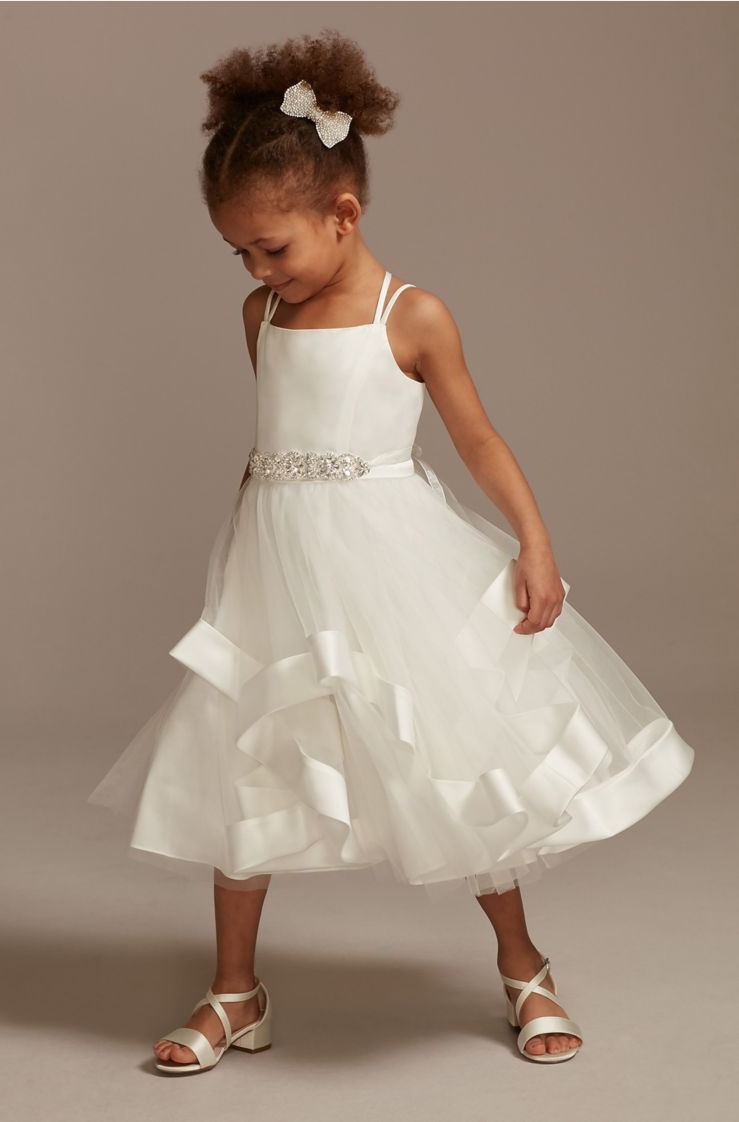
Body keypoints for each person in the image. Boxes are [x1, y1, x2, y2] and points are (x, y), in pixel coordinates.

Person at [86, 29, 695, 1074]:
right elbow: (269, 453)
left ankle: (523, 965)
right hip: (277, 566)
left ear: (344, 214)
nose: (254, 266)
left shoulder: (409, 315)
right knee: (248, 763)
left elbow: (478, 439)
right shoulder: (262, 313)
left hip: (389, 565)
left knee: (449, 760)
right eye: (237, 251)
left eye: (270, 246)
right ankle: (238, 991)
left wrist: (535, 545)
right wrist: (233, 569)